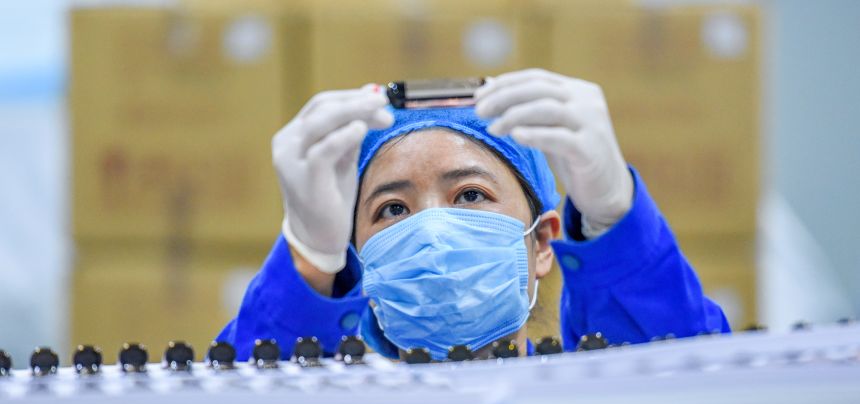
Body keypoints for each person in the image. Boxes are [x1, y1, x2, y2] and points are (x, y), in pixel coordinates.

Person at [217, 68, 728, 361]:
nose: (434, 232)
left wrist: (615, 224)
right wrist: (309, 259)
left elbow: (699, 394)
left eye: (469, 196)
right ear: (360, 257)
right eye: (393, 209)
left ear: (542, 241)